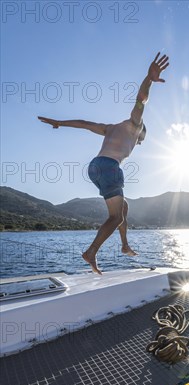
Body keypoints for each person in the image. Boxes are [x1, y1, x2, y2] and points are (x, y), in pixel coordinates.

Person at [38, 52, 169, 275]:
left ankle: (125, 245)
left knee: (123, 208)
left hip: (94, 167)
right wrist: (149, 80)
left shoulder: (110, 128)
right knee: (116, 216)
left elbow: (85, 123)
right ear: (140, 131)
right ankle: (91, 252)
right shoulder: (135, 124)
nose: (138, 143)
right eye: (141, 140)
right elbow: (140, 100)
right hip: (109, 167)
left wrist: (59, 122)